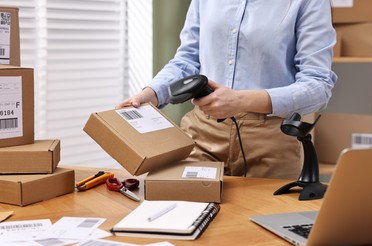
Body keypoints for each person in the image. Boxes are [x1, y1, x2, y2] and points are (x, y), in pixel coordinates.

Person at [116, 0, 337, 179]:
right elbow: (186, 61)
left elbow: (318, 85)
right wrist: (151, 94)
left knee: (261, 228)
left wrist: (240, 100)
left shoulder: (309, 2)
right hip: (203, 132)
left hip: (271, 139)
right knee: (185, 216)